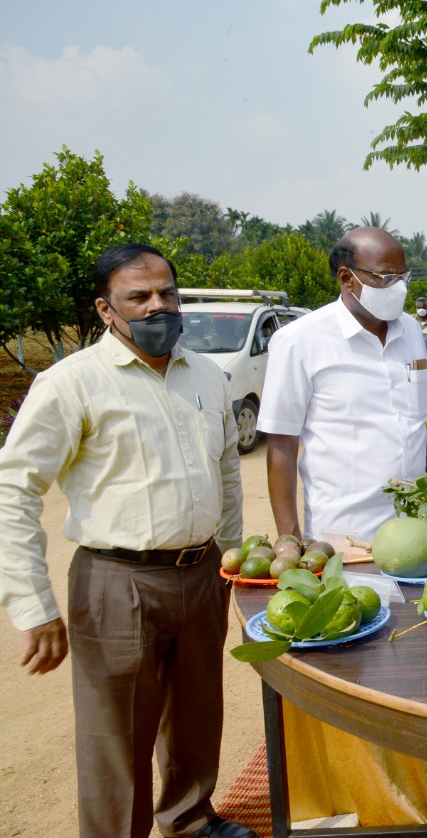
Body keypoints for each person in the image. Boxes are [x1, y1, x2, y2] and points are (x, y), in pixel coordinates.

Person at [0, 245, 251, 838]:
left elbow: (227, 471)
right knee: (118, 736)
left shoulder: (207, 375)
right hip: (117, 582)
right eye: (138, 297)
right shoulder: (71, 384)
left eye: (166, 292)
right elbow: (13, 492)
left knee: (197, 716)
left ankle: (190, 819)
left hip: (202, 571)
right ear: (106, 309)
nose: (157, 306)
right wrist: (32, 606)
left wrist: (234, 559)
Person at [260, 227, 427, 543]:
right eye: (385, 279)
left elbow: (417, 428)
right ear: (346, 278)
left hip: (416, 532)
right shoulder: (299, 342)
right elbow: (281, 446)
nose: (398, 289)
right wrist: (290, 540)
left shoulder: (411, 330)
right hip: (346, 538)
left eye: (403, 278)